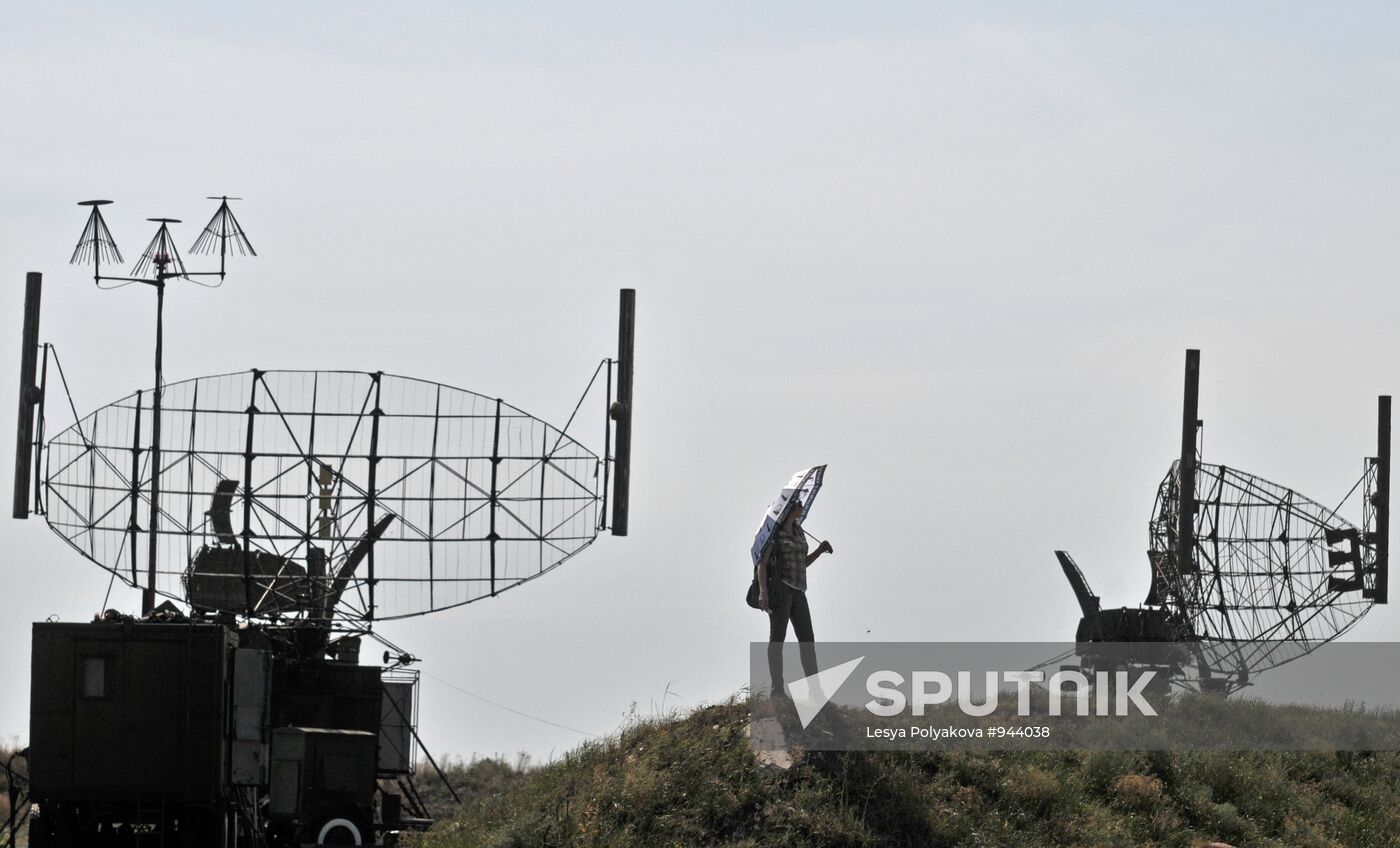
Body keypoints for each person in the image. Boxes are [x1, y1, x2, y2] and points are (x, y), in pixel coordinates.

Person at [756, 503, 833, 698]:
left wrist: (819, 550)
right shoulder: (776, 534)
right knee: (777, 640)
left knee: (807, 640)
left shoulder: (799, 531)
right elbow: (762, 564)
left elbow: (802, 563)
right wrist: (763, 592)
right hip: (781, 591)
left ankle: (815, 690)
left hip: (799, 591)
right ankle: (777, 689)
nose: (801, 505)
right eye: (797, 503)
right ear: (789, 509)